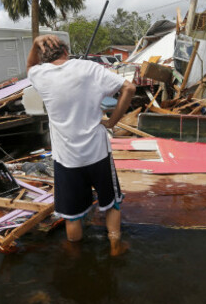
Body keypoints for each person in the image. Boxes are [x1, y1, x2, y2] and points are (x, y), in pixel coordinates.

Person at [27, 34, 135, 256]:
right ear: (66, 51)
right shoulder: (89, 68)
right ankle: (115, 246)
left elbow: (30, 66)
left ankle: (76, 259)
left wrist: (36, 42)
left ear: (43, 57)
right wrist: (113, 121)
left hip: (66, 158)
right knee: (111, 203)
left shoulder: (40, 74)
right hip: (97, 152)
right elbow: (130, 88)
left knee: (72, 215)